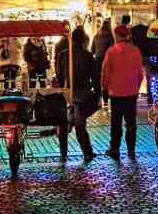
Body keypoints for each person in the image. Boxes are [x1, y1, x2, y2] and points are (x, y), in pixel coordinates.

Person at [101, 24, 144, 160]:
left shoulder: (112, 51)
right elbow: (140, 74)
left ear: (117, 36)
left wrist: (104, 90)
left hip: (116, 93)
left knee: (116, 123)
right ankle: (131, 150)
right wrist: (136, 88)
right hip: (131, 93)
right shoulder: (136, 51)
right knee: (131, 124)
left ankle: (115, 149)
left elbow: (105, 73)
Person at [56, 27, 99, 161]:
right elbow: (94, 76)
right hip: (82, 93)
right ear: (83, 41)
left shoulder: (62, 55)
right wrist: (97, 93)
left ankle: (64, 153)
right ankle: (87, 151)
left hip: (66, 92)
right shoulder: (87, 56)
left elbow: (58, 74)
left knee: (65, 123)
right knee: (80, 124)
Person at [91, 20, 114, 104]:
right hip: (106, 59)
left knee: (98, 79)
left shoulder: (96, 35)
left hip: (97, 60)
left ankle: (98, 97)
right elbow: (112, 49)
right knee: (106, 79)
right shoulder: (109, 36)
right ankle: (105, 98)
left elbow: (92, 50)